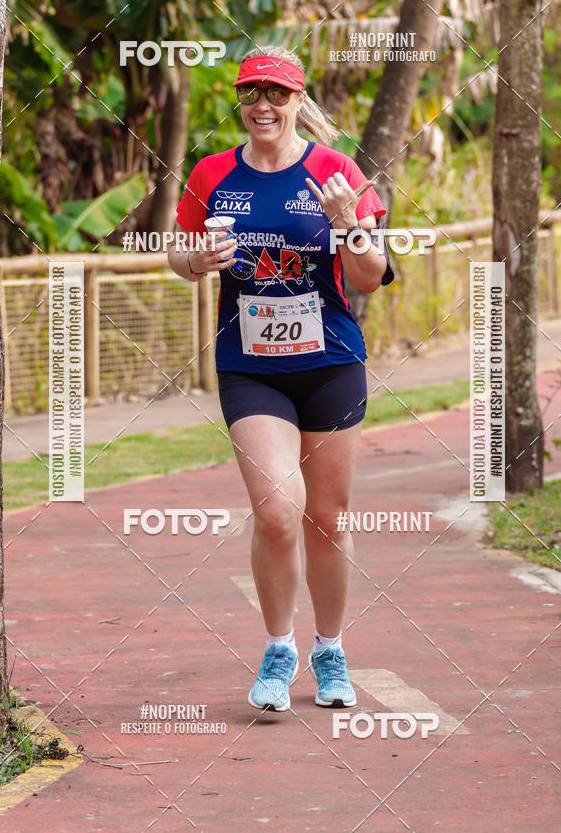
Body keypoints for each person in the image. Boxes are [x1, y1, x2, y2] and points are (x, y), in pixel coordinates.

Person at [169, 45, 394, 712]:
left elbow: (371, 277)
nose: (262, 105)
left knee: (326, 518)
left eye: (276, 93)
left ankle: (330, 651)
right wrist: (195, 260)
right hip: (249, 367)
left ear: (299, 100)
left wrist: (348, 226)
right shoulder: (212, 174)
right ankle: (278, 649)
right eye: (250, 93)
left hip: (330, 362)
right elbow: (179, 252)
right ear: (240, 102)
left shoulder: (336, 171)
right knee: (276, 510)